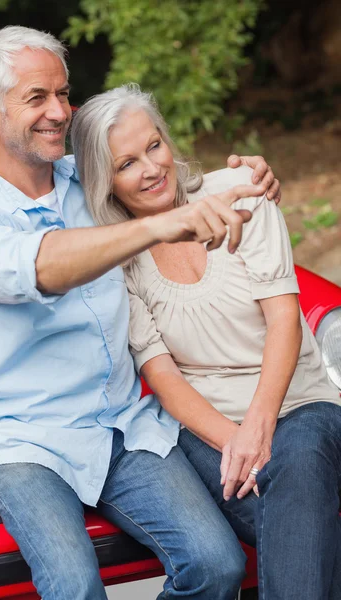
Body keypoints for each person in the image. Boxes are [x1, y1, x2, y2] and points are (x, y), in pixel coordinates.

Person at [0, 26, 283, 600]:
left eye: (63, 94)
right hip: (27, 441)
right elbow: (43, 265)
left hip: (120, 426)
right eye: (37, 98)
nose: (60, 112)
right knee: (74, 585)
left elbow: (169, 184)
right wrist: (157, 226)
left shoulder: (91, 179)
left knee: (217, 564)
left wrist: (248, 179)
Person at [71, 83, 341, 600]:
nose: (151, 168)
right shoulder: (119, 260)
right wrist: (233, 441)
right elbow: (165, 378)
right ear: (105, 183)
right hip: (207, 429)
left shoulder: (240, 190)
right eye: (126, 163)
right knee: (300, 526)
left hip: (300, 404)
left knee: (299, 464)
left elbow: (284, 317)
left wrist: (258, 432)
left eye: (154, 146)